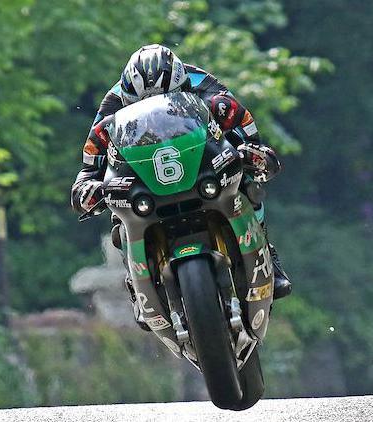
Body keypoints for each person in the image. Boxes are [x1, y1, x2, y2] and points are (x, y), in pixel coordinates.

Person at [71, 44, 291, 328]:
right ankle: (136, 286)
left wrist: (253, 154)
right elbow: (89, 168)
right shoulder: (110, 108)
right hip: (144, 179)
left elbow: (248, 135)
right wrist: (89, 189)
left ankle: (269, 256)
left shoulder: (208, 88)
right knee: (119, 216)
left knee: (246, 183)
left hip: (201, 163)